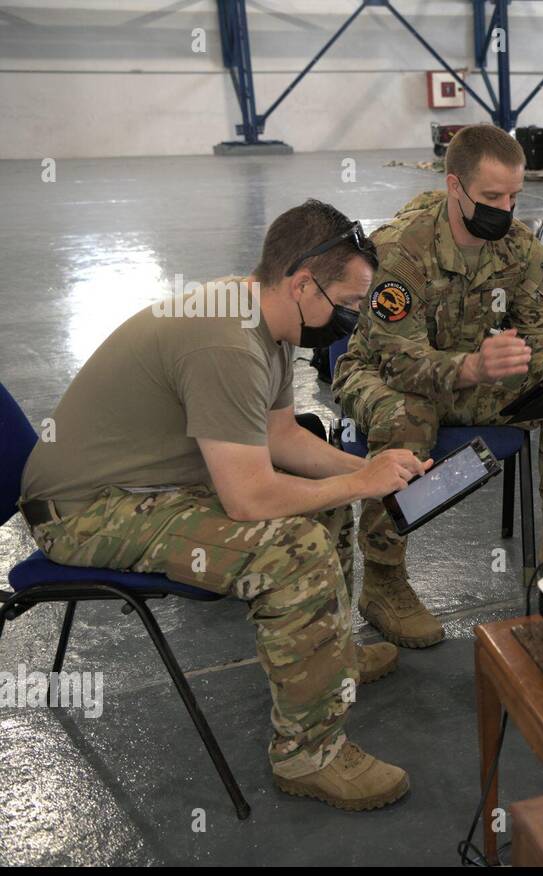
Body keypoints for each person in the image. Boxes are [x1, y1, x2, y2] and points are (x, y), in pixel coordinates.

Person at [19, 200, 430, 809]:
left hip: (147, 485)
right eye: (345, 304)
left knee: (321, 506)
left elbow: (282, 438)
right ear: (300, 282)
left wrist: (373, 470)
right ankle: (307, 756)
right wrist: (361, 483)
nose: (350, 320)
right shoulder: (227, 344)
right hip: (83, 511)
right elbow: (250, 497)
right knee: (293, 549)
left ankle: (330, 658)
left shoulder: (268, 317)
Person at [333, 125, 543, 647]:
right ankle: (384, 581)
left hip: (472, 374)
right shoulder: (400, 250)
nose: (506, 208)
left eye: (514, 196)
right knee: (408, 414)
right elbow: (394, 359)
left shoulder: (520, 250)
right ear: (455, 186)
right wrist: (473, 368)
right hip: (382, 376)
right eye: (492, 197)